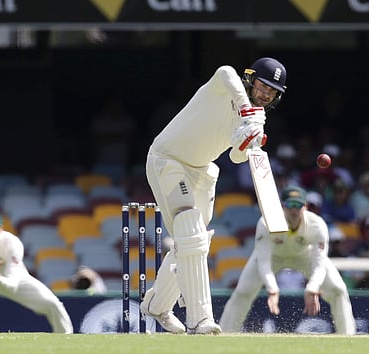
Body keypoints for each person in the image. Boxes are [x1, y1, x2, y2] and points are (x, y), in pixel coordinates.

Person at [141, 57, 287, 335]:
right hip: (168, 159)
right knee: (191, 233)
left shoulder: (258, 118)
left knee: (194, 242)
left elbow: (235, 156)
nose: (266, 93)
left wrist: (249, 138)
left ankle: (157, 305)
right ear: (250, 78)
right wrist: (245, 109)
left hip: (201, 171)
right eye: (263, 85)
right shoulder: (225, 86)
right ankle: (200, 320)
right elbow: (224, 71)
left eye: (272, 91)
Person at [219, 186, 356, 335]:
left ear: (306, 207)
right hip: (272, 257)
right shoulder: (266, 223)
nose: (294, 210)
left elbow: (319, 264)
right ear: (282, 207)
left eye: (298, 205)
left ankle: (347, 336)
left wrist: (312, 287)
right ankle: (225, 334)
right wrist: (272, 287)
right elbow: (263, 261)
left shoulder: (317, 225)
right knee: (243, 292)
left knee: (338, 290)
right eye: (290, 205)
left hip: (305, 256)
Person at [0, 208, 73, 333]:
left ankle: (66, 341)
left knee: (52, 304)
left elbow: (13, 283)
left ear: (1, 229)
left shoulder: (12, 242)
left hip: (14, 279)